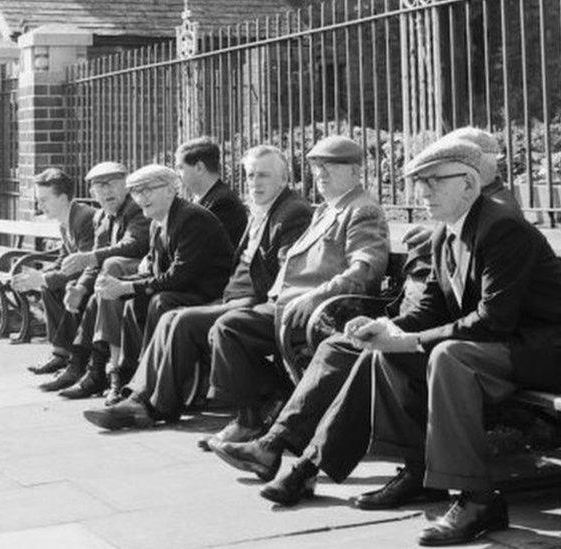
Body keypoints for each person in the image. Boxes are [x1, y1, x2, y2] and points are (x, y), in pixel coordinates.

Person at [216, 137, 561, 547]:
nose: (423, 193)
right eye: (418, 184)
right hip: (495, 347)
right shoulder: (444, 235)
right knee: (380, 354)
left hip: (542, 349)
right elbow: (430, 310)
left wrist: (412, 340)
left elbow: (494, 320)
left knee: (447, 356)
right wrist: (381, 328)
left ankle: (478, 500)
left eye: (434, 182)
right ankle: (403, 472)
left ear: (468, 184)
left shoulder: (502, 226)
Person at [81, 145, 311, 429]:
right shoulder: (261, 209)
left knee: (179, 317)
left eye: (263, 175)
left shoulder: (292, 212)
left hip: (253, 301)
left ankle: (156, 406)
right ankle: (138, 397)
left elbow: (286, 271)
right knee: (169, 317)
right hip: (232, 297)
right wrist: (127, 284)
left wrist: (128, 287)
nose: (254, 182)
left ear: (284, 178)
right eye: (250, 175)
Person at [201, 135, 389, 441]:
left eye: (331, 167)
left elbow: (364, 270)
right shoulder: (326, 210)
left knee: (228, 328)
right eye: (316, 168)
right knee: (223, 330)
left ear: (355, 172)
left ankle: (253, 418)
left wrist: (316, 296)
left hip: (323, 312)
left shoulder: (362, 209)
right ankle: (269, 404)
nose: (320, 175)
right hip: (288, 308)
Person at [80, 164, 235, 429]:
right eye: (136, 192)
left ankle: (152, 395)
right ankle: (130, 383)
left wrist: (126, 286)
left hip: (211, 293)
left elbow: (179, 276)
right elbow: (155, 271)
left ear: (171, 189)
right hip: (185, 290)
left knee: (159, 301)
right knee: (131, 303)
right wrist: (121, 284)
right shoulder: (157, 223)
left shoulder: (190, 218)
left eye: (148, 189)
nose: (141, 198)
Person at [33, 162, 152, 400]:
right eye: (100, 186)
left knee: (105, 279)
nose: (107, 191)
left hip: (140, 279)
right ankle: (84, 367)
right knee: (83, 291)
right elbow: (92, 263)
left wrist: (92, 262)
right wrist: (80, 286)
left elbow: (134, 244)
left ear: (126, 186)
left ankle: (89, 369)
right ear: (92, 194)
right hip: (114, 282)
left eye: (113, 184)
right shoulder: (101, 218)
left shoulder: (135, 209)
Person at [12, 168, 96, 360]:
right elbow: (64, 259)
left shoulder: (85, 218)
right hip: (82, 276)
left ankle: (75, 357)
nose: (39, 206)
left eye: (44, 200)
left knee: (57, 286)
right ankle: (61, 353)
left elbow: (84, 264)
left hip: (95, 278)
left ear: (63, 198)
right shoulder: (65, 220)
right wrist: (35, 277)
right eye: (38, 200)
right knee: (48, 287)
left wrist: (42, 278)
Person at [175, 136, 248, 246]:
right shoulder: (201, 199)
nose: (177, 174)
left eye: (181, 168)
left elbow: (195, 247)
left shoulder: (223, 204)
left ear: (199, 167)